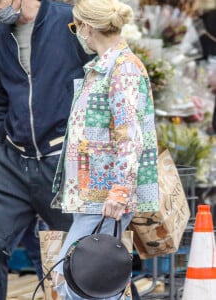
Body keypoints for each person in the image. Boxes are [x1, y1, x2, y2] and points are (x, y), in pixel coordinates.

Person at [0, 0, 91, 299]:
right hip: (10, 159)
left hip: (63, 160)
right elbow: (0, 96)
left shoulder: (71, 21)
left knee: (86, 254)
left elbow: (103, 77)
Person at [50, 0, 159, 299]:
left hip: (104, 194)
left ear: (86, 27)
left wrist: (120, 190)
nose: (76, 33)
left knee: (80, 282)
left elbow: (130, 136)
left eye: (75, 27)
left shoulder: (122, 69)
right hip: (93, 193)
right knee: (86, 281)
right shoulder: (103, 68)